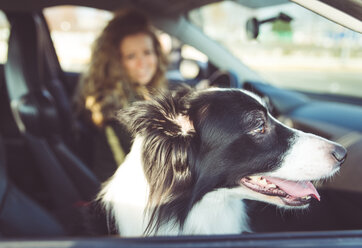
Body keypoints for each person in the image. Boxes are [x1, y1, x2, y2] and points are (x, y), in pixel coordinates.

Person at [73, 8, 168, 181]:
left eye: (147, 52)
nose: (142, 63)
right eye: (131, 56)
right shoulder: (118, 109)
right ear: (117, 63)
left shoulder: (139, 92)